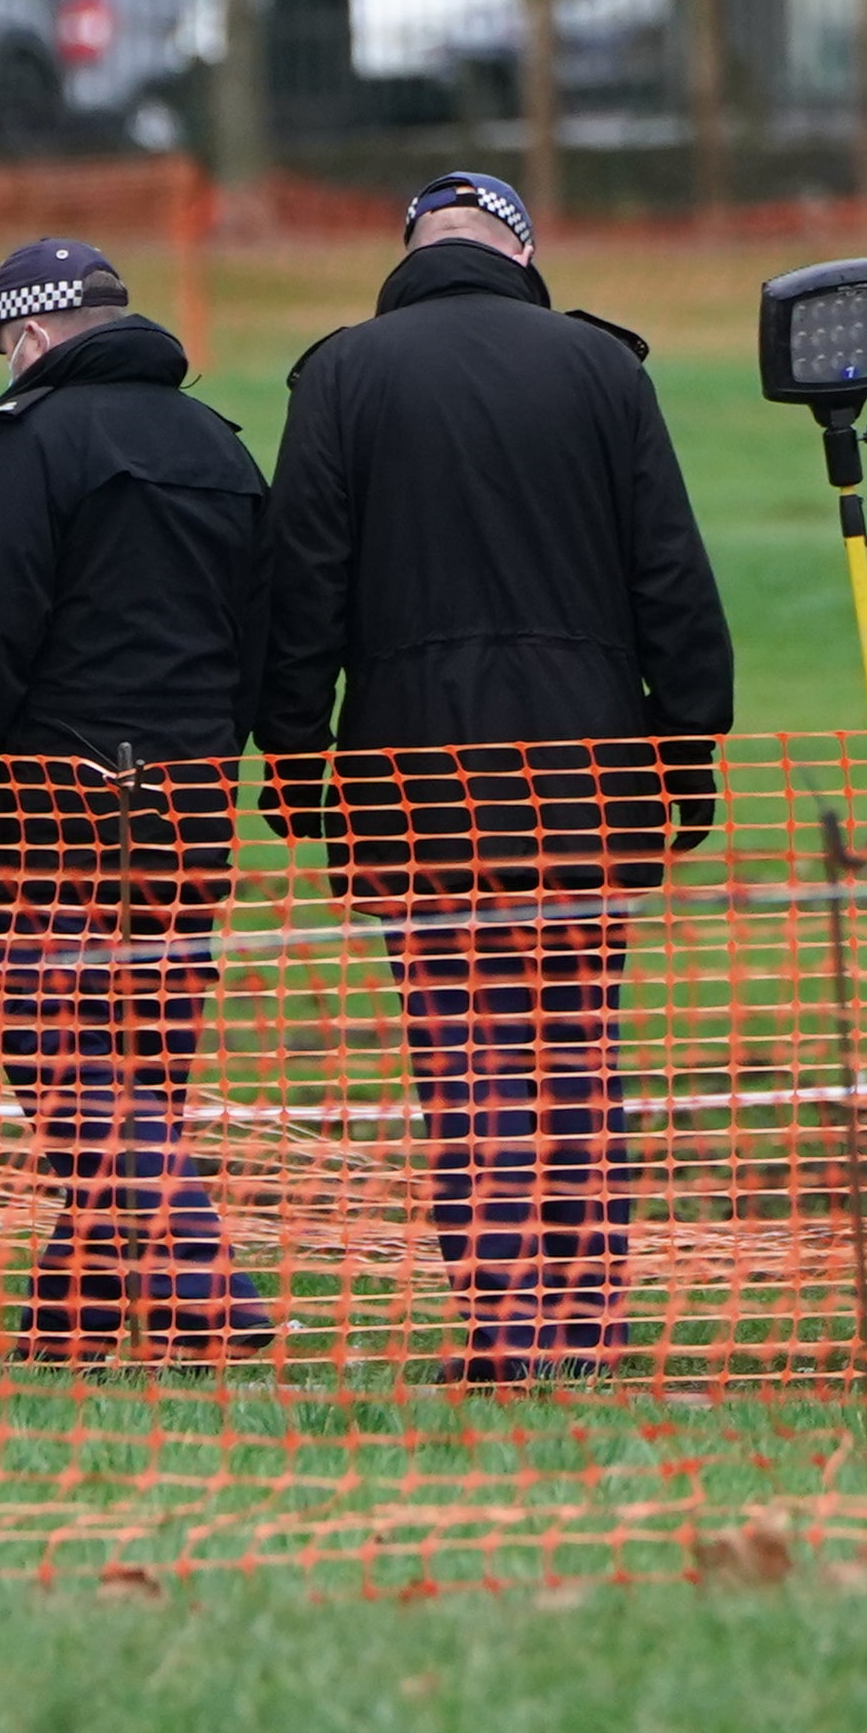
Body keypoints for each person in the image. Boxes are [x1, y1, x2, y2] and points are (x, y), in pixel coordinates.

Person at [253, 168, 731, 1386]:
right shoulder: (603, 370)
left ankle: (508, 1320)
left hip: (414, 779)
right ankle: (591, 1317)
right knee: (576, 1047)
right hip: (587, 773)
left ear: (410, 248)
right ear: (524, 251)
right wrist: (687, 752)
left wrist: (299, 767)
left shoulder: (342, 374)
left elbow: (301, 592)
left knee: (465, 1051)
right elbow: (669, 574)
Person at [0, 233, 277, 1361]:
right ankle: (74, 1317)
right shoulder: (220, 446)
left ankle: (205, 1289)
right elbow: (262, 638)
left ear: (30, 337)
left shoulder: (29, 443)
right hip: (188, 806)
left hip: (58, 807)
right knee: (143, 1070)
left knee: (63, 1057)